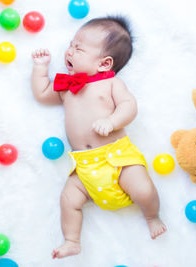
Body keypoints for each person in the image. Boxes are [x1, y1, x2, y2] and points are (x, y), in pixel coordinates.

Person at [31, 15, 166, 259]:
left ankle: (151, 215)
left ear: (104, 64)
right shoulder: (67, 87)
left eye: (78, 48)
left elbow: (129, 106)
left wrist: (111, 121)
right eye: (71, 45)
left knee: (143, 190)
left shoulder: (110, 84)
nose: (69, 52)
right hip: (84, 167)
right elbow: (41, 94)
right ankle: (72, 240)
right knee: (68, 200)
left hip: (117, 157)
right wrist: (41, 68)